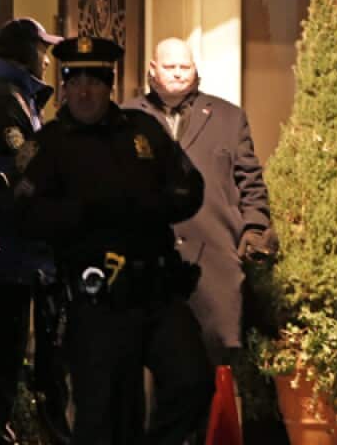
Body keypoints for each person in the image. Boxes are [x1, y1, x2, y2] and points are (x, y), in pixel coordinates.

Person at [15, 35, 213, 445]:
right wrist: (84, 213)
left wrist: (149, 206)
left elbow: (189, 187)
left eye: (96, 81)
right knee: (105, 417)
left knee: (191, 379)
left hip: (156, 291)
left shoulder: (141, 131)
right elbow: (24, 213)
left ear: (110, 85)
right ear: (65, 86)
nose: (85, 91)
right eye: (76, 81)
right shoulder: (49, 145)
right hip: (97, 301)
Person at [122, 37, 276, 366]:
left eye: (184, 66)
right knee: (147, 361)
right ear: (152, 69)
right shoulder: (126, 119)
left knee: (216, 362)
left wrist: (254, 227)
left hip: (214, 263)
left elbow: (250, 181)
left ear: (195, 70)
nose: (178, 74)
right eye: (169, 66)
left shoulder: (228, 118)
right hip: (147, 263)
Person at [0, 18, 71, 445]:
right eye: (41, 50)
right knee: (9, 357)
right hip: (13, 253)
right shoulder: (6, 99)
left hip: (22, 253)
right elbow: (24, 161)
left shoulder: (16, 97)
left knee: (21, 357)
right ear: (25, 53)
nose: (46, 59)